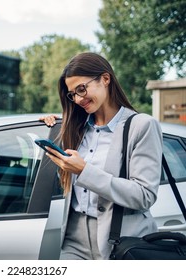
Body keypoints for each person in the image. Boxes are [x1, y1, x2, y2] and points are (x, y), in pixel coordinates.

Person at [40, 52, 163, 260]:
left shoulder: (142, 126)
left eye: (82, 89)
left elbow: (144, 195)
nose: (78, 99)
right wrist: (49, 123)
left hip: (122, 242)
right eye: (73, 94)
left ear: (105, 79)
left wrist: (84, 171)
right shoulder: (75, 127)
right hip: (73, 239)